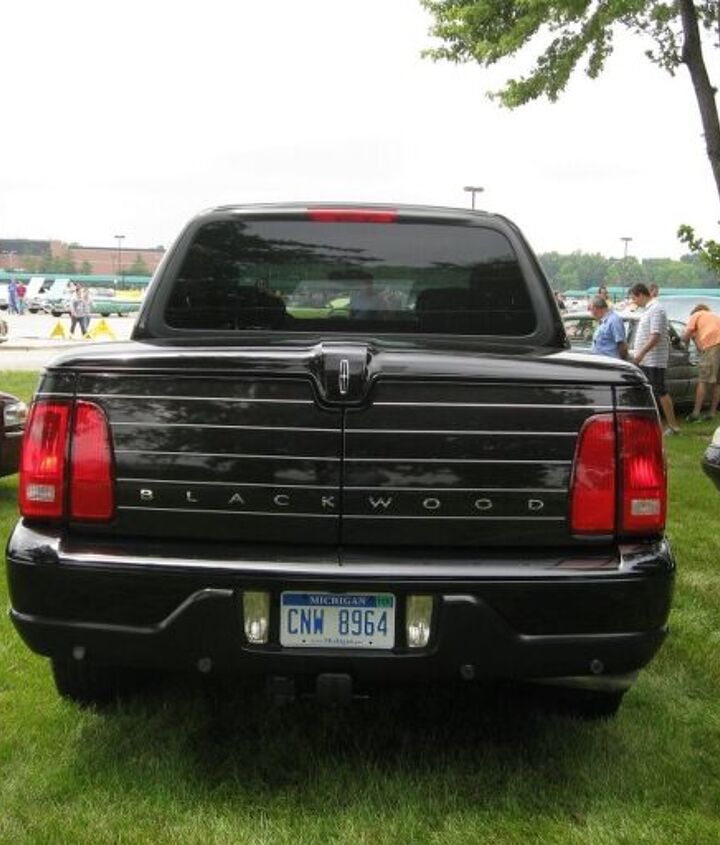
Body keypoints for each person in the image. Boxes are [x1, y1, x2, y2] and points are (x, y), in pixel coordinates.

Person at [628, 282, 681, 435]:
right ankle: (649, 424)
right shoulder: (648, 310)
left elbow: (655, 336)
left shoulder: (657, 309)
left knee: (660, 391)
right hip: (647, 359)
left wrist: (641, 354)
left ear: (641, 295)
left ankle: (673, 426)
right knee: (648, 391)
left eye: (634, 298)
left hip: (654, 360)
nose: (634, 302)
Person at [681, 303, 720, 421]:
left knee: (703, 381)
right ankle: (712, 413)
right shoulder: (714, 317)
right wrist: (695, 337)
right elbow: (701, 347)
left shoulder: (696, 315)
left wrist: (687, 337)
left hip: (712, 346)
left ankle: (695, 413)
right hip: (716, 345)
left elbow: (685, 337)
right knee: (717, 382)